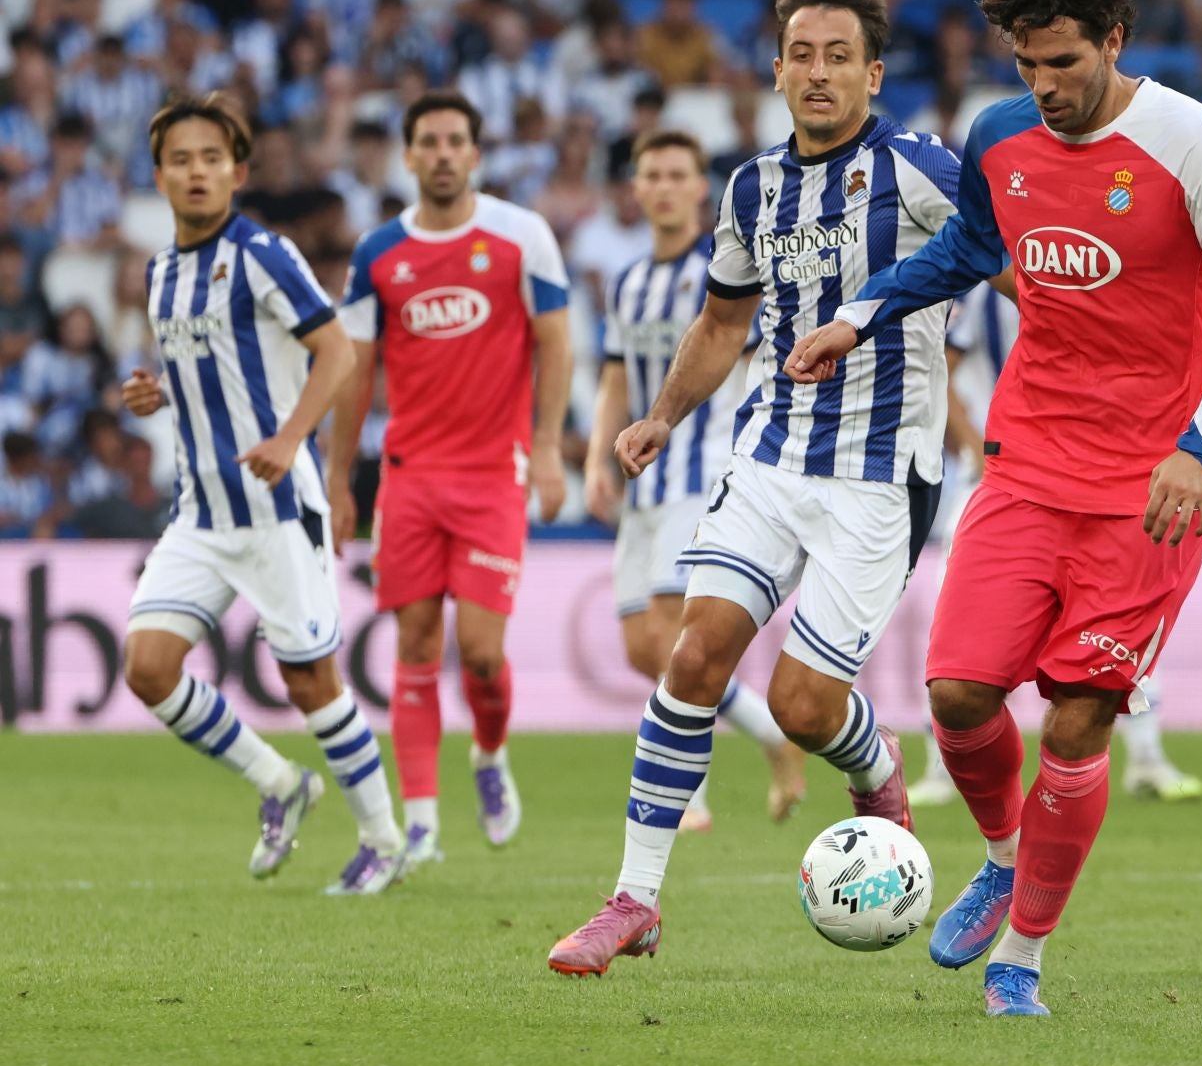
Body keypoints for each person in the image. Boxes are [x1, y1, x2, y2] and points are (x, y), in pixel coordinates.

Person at [787, 0, 1202, 1017]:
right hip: (1030, 457)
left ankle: (1022, 953)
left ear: (1115, 40)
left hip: (1150, 485)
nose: (1046, 86)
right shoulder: (1000, 134)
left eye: (1064, 62)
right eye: (1027, 65)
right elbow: (971, 250)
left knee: (1075, 720)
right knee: (959, 694)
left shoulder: (1197, 146)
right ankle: (1004, 854)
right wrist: (859, 315)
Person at [547, 0, 971, 978]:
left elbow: (1005, 260)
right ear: (776, 70)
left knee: (802, 706)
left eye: (840, 57)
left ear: (873, 73)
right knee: (693, 657)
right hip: (770, 455)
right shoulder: (751, 188)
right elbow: (723, 321)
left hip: (880, 474)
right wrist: (661, 414)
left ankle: (874, 761)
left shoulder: (922, 170)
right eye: (802, 56)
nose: (819, 74)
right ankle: (633, 899)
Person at [120, 93, 406, 895]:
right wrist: (157, 394)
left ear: (238, 173)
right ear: (159, 177)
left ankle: (384, 840)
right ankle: (279, 781)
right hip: (201, 514)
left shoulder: (262, 253)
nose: (197, 172)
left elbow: (336, 352)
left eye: (212, 159)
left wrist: (290, 438)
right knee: (147, 667)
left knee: (311, 682)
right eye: (181, 160)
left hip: (277, 508)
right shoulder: (160, 273)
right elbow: (211, 373)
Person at [328, 90, 573, 869]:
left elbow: (556, 343)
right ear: (408, 157)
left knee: (481, 653)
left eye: (454, 141)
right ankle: (423, 825)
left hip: (493, 476)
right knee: (414, 643)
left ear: (475, 154)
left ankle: (490, 755)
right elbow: (353, 371)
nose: (441, 154)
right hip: (409, 479)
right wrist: (338, 480)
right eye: (428, 142)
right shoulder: (377, 254)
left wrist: (548, 448)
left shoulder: (520, 236)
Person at [585, 129, 808, 834]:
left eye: (677, 174)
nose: (663, 187)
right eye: (651, 174)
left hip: (703, 471)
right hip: (644, 483)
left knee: (672, 638)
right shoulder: (628, 280)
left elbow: (746, 361)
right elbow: (615, 378)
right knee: (639, 646)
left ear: (698, 189)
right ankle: (771, 736)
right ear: (635, 188)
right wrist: (595, 461)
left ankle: (691, 798)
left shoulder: (726, 271)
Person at [910, 283, 1202, 807]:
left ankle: (1147, 758)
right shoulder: (985, 290)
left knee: (1117, 632)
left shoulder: (1114, 278)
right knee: (956, 638)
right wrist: (975, 445)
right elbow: (943, 370)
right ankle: (940, 765)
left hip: (1107, 478)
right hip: (1004, 476)